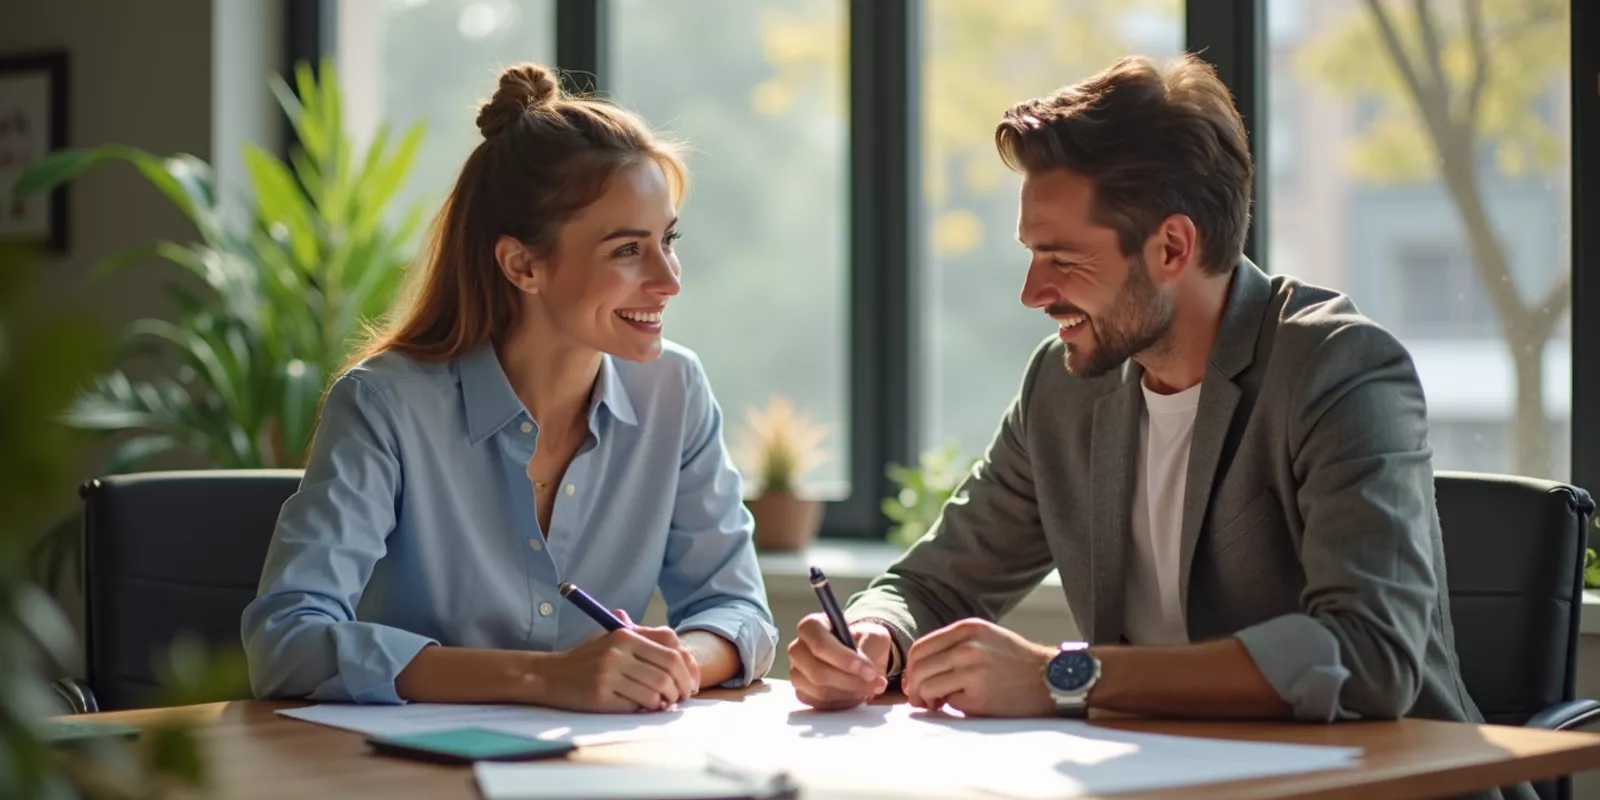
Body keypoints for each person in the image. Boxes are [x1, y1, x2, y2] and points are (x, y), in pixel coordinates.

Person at [787, 50, 1507, 783]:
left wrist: (1065, 677)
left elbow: (1367, 654)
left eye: (1062, 258)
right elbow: (935, 584)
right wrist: (876, 633)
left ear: (1171, 247)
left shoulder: (1338, 371)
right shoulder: (1064, 388)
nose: (1033, 293)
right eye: (1031, 254)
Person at [241, 63, 777, 713]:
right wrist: (542, 678)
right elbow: (286, 640)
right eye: (628, 251)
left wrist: (664, 665)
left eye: (668, 241)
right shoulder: (386, 406)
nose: (669, 281)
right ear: (523, 264)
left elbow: (736, 607)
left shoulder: (676, 389)